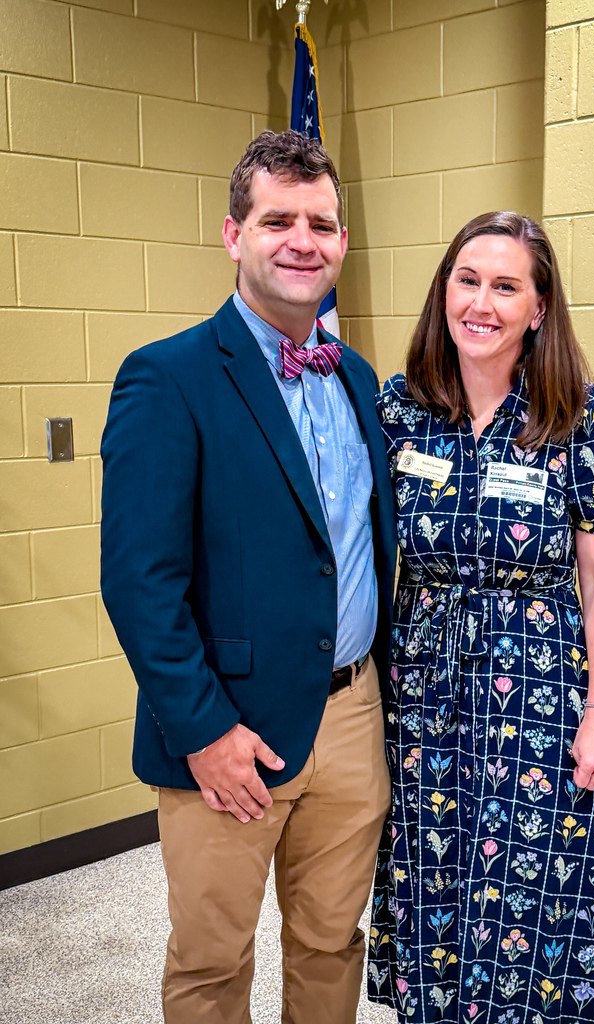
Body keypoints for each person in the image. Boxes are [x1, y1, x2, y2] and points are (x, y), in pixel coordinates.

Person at [100, 130, 396, 1024]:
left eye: (322, 222)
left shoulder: (360, 379)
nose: (303, 239)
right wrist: (203, 731)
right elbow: (139, 581)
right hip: (228, 734)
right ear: (234, 235)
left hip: (352, 717)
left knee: (330, 942)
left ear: (342, 242)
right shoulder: (168, 377)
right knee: (213, 960)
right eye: (278, 220)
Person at [367, 211, 594, 1024]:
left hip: (542, 696)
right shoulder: (400, 409)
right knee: (434, 892)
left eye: (506, 286)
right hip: (422, 697)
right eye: (467, 280)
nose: (482, 302)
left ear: (539, 307)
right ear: (444, 291)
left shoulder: (583, 415)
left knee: (540, 892)